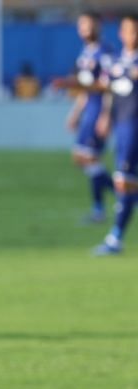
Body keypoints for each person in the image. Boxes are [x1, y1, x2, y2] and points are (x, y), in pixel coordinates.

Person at [53, 12, 114, 225]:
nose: (84, 29)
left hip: (99, 110)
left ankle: (110, 204)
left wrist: (106, 115)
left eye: (88, 25)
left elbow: (109, 87)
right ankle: (118, 197)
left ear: (98, 26)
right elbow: (84, 89)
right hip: (89, 110)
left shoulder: (105, 52)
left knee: (88, 158)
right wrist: (75, 113)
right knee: (82, 158)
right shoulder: (85, 52)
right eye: (81, 25)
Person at [92, 14, 138, 255]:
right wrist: (105, 115)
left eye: (133, 30)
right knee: (126, 182)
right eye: (126, 30)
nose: (129, 35)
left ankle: (115, 239)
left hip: (134, 125)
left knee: (124, 181)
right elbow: (108, 89)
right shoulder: (117, 60)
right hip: (121, 124)